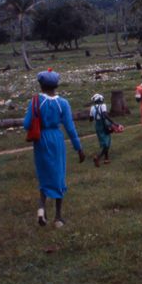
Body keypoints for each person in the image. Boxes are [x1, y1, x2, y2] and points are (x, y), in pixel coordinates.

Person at [23, 69, 85, 228]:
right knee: (58, 174)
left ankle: (41, 208)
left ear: (41, 85)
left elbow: (26, 124)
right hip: (56, 139)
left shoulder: (35, 101)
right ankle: (58, 217)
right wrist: (78, 148)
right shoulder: (62, 103)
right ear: (56, 85)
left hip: (40, 140)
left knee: (44, 174)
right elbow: (70, 128)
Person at [89, 93, 118, 167]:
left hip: (97, 126)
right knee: (107, 142)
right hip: (104, 124)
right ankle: (98, 157)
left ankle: (106, 158)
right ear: (101, 99)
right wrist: (113, 123)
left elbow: (91, 119)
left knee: (104, 142)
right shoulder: (103, 105)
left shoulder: (92, 108)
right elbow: (105, 115)